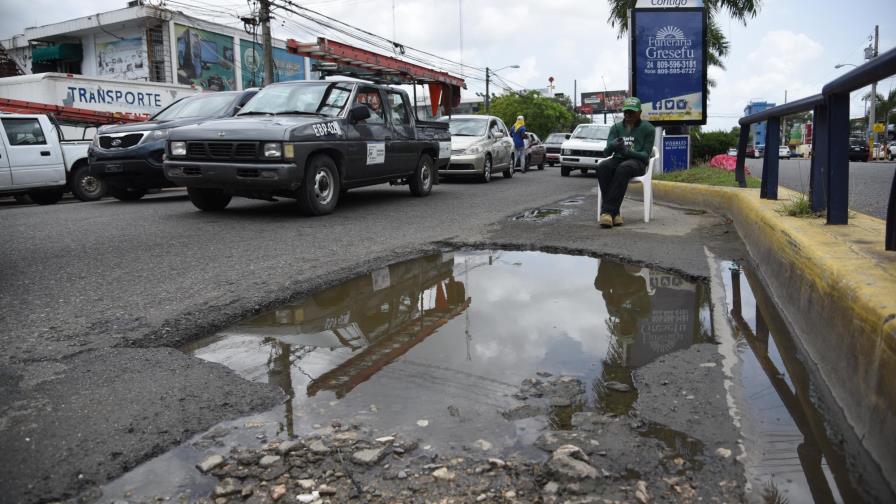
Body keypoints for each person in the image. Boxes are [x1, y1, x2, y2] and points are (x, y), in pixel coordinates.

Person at [596, 97, 655, 228]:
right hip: (617, 159)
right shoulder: (615, 128)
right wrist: (612, 145)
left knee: (623, 168)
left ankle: (606, 212)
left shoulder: (649, 129)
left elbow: (645, 155)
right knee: (602, 167)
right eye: (626, 112)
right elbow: (606, 153)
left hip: (637, 163)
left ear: (639, 112)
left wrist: (627, 152)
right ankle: (614, 214)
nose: (628, 115)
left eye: (632, 112)